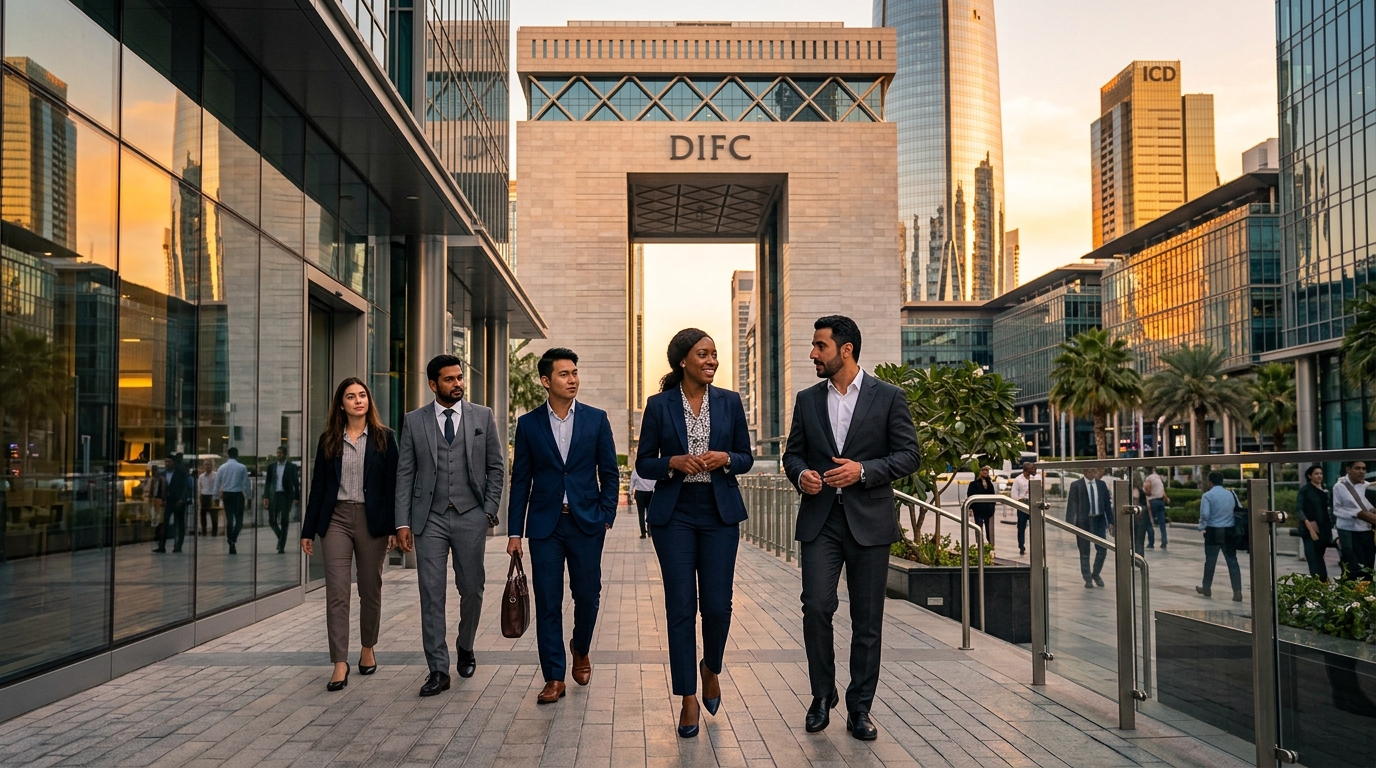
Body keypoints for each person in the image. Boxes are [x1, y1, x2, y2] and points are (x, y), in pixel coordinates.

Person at [782, 316, 919, 741]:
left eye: (819, 346)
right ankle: (822, 695)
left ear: (846, 350)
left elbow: (909, 455)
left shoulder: (889, 397)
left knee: (867, 620)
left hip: (869, 522)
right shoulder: (807, 400)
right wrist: (801, 474)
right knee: (816, 607)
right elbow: (793, 455)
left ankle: (860, 707)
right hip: (821, 520)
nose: (812, 354)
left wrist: (863, 471)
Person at [636, 329, 753, 738]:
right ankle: (687, 696)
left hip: (720, 514)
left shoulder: (730, 401)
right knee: (681, 607)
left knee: (718, 606)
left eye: (714, 354)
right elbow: (644, 463)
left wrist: (726, 458)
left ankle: (711, 667)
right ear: (683, 360)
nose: (712, 361)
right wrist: (673, 462)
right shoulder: (659, 405)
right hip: (676, 515)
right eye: (703, 354)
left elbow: (746, 457)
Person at [508, 348, 618, 705]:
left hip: (587, 523)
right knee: (548, 601)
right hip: (545, 526)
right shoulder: (528, 424)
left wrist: (606, 514)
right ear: (546, 381)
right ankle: (554, 677)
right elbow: (520, 481)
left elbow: (610, 472)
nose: (573, 380)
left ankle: (580, 647)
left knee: (587, 595)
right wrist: (514, 532)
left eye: (575, 373)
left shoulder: (596, 419)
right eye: (564, 374)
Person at [394, 355, 506, 696]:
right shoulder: (414, 421)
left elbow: (496, 467)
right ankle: (438, 670)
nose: (458, 383)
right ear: (433, 384)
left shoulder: (482, 416)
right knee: (431, 592)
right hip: (429, 517)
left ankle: (465, 645)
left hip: (471, 515)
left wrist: (487, 511)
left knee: (472, 588)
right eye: (449, 379)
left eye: (460, 378)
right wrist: (402, 522)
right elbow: (405, 474)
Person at [301, 377, 399, 691]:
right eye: (350, 396)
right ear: (341, 405)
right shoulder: (329, 439)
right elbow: (318, 487)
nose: (358, 401)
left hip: (373, 521)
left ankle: (368, 647)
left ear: (368, 401)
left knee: (370, 589)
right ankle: (339, 662)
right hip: (336, 520)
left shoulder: (385, 437)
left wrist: (395, 527)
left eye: (362, 395)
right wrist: (308, 530)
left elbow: (394, 486)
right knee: (337, 592)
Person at [1196, 471, 1243, 601]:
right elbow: (1239, 508)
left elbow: (1205, 514)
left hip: (1213, 532)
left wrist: (1201, 527)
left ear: (1210, 482)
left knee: (1210, 561)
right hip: (1229, 532)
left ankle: (1206, 587)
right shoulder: (1231, 494)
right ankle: (1237, 591)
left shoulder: (1207, 496)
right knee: (1232, 561)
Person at [1066, 468, 1113, 588]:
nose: (1092, 473)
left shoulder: (1101, 484)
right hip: (1084, 522)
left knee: (1102, 550)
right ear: (1084, 472)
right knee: (1084, 552)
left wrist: (1111, 522)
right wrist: (1070, 523)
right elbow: (1071, 504)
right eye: (1090, 471)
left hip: (1098, 520)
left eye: (1094, 471)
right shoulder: (1076, 485)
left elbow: (1107, 504)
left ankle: (1096, 574)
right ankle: (1087, 578)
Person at [1333, 460, 1376, 581]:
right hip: (1347, 532)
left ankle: (1366, 591)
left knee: (1367, 566)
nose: (1361, 471)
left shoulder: (1368, 487)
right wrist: (1357, 514)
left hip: (1366, 531)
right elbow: (1337, 510)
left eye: (1364, 468)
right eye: (1357, 468)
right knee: (1351, 567)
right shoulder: (1339, 487)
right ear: (1348, 469)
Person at [1295, 464, 1334, 582]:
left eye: (1321, 473)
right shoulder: (1305, 490)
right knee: (1313, 557)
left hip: (1324, 528)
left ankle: (1323, 581)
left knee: (1320, 556)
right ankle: (1318, 582)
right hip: (1310, 530)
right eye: (1316, 474)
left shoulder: (1326, 490)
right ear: (1309, 476)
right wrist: (1308, 523)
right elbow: (1299, 508)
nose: (1319, 476)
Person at [264, 446, 300, 554]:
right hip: (274, 495)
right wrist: (266, 496)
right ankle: (281, 537)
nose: (278, 454)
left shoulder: (291, 467)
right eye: (277, 452)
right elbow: (268, 482)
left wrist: (296, 497)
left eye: (280, 453)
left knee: (284, 520)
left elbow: (296, 483)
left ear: (285, 454)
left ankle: (281, 546)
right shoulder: (271, 467)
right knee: (272, 520)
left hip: (286, 496)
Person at [153, 455, 191, 553]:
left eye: (169, 462)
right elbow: (159, 489)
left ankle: (178, 545)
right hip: (166, 502)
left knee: (179, 523)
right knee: (164, 523)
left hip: (178, 501)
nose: (167, 464)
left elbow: (186, 487)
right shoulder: (162, 475)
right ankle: (162, 545)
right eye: (165, 462)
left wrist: (182, 499)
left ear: (173, 462)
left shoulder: (181, 473)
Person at [215, 447, 250, 554]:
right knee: (239, 521)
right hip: (238, 495)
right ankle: (233, 539)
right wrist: (249, 497)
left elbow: (217, 483)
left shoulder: (222, 467)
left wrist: (215, 497)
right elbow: (246, 484)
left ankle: (230, 539)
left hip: (227, 495)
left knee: (229, 520)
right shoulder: (242, 467)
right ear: (237, 454)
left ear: (228, 454)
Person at [1010, 461, 1038, 555]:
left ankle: (1036, 545)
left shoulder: (1035, 478)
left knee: (1035, 526)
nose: (1034, 470)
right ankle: (1021, 546)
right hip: (1023, 503)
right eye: (1031, 469)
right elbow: (1014, 495)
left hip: (1033, 503)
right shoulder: (1018, 480)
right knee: (1021, 526)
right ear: (1026, 470)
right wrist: (1020, 498)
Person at [968, 466, 997, 549]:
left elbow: (993, 496)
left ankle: (990, 546)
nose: (985, 472)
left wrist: (992, 506)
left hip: (989, 510)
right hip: (978, 510)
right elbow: (970, 495)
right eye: (983, 470)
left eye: (986, 470)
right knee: (978, 527)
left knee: (989, 530)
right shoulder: (973, 484)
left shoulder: (989, 484)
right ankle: (979, 545)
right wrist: (970, 509)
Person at [1144, 467, 1169, 549]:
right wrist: (1166, 499)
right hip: (1161, 501)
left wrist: (1147, 494)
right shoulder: (1159, 479)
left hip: (1153, 501)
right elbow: (1163, 492)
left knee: (1149, 522)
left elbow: (1147, 490)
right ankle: (1164, 541)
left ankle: (1151, 543)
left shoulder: (1149, 478)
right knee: (1162, 523)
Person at [629, 467, 655, 539]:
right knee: (649, 513)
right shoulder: (651, 469)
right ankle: (649, 530)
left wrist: (630, 492)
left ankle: (643, 532)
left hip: (639, 493)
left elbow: (632, 481)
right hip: (650, 493)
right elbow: (655, 482)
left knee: (641, 514)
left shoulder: (637, 470)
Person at [197, 458, 218, 538]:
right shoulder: (201, 476)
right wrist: (199, 497)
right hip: (204, 496)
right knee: (203, 515)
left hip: (213, 496)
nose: (207, 466)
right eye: (205, 464)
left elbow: (219, 485)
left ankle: (214, 531)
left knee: (214, 516)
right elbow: (199, 487)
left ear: (212, 466)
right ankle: (204, 531)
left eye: (209, 464)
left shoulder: (216, 475)